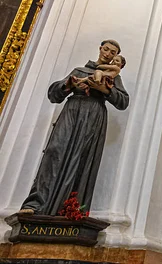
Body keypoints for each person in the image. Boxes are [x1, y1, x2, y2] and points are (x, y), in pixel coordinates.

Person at [19, 40, 129, 215]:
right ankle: (35, 205)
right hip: (71, 112)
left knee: (83, 160)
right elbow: (54, 94)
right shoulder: (80, 71)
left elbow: (123, 101)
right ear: (100, 48)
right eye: (106, 49)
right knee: (54, 153)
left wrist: (105, 90)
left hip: (93, 116)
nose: (108, 54)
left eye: (112, 52)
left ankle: (70, 209)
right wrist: (70, 84)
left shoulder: (113, 77)